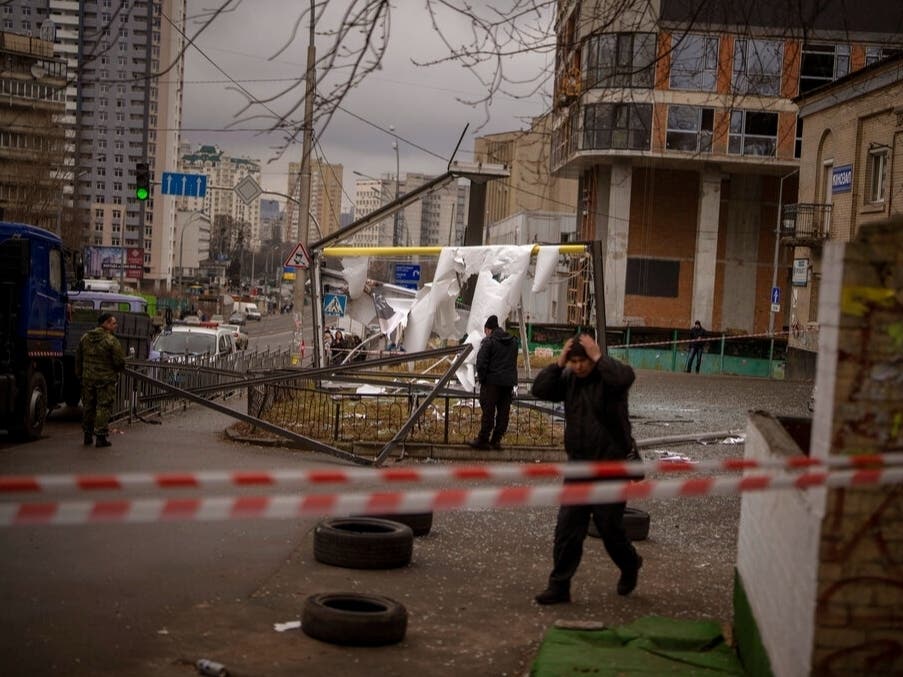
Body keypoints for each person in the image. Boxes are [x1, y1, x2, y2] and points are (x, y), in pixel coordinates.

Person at [530, 333, 643, 604]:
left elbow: (625, 377)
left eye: (584, 361)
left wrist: (599, 357)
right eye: (575, 361)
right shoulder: (568, 379)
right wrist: (558, 364)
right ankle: (559, 586)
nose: (579, 367)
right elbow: (539, 390)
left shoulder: (609, 378)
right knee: (567, 528)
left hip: (609, 467)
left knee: (609, 528)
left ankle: (630, 565)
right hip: (579, 467)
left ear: (592, 358)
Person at [75, 312, 126, 448]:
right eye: (114, 323)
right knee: (103, 407)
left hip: (88, 379)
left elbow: (78, 358)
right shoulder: (111, 340)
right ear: (107, 324)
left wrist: (80, 374)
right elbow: (119, 361)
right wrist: (117, 370)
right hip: (105, 380)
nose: (116, 326)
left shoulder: (85, 337)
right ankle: (101, 437)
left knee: (88, 407)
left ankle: (87, 435)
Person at [469, 314, 518, 451]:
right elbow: (513, 362)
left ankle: (483, 440)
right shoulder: (513, 341)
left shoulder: (489, 341)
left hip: (491, 383)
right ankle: (496, 440)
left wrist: (483, 379)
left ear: (488, 329)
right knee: (503, 413)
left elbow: (481, 362)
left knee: (488, 412)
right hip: (508, 384)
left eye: (485, 331)